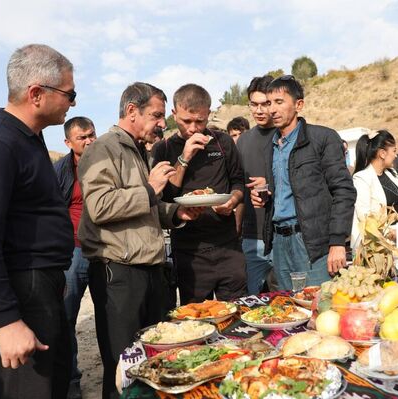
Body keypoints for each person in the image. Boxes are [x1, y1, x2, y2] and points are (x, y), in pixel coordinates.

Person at [0, 44, 76, 398]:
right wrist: (8, 321)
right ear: (37, 93)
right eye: (70, 94)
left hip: (42, 286)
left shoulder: (28, 138)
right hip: (23, 291)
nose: (73, 103)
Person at [78, 82, 202, 399]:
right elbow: (100, 206)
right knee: (124, 368)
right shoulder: (102, 148)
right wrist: (149, 189)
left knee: (155, 363)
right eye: (157, 115)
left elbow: (143, 208)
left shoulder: (137, 150)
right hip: (120, 276)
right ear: (132, 111)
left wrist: (176, 214)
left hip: (151, 273)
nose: (163, 123)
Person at [251, 75, 356, 290]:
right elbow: (291, 190)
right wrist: (266, 197)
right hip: (279, 243)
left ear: (299, 104)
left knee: (318, 309)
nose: (272, 110)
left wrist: (337, 242)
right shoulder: (271, 146)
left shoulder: (322, 138)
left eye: (279, 102)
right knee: (287, 311)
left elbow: (343, 190)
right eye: (269, 103)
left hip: (311, 243)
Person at [151, 83, 247, 304]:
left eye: (200, 121)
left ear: (209, 115)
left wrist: (233, 200)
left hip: (227, 247)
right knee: (196, 320)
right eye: (186, 121)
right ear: (174, 114)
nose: (193, 128)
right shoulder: (164, 149)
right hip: (189, 252)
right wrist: (184, 157)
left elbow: (238, 182)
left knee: (235, 314)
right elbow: (165, 196)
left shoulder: (223, 143)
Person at [53, 116, 96, 399]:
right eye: (82, 137)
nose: (90, 140)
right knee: (66, 318)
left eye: (92, 134)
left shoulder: (109, 162)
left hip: (105, 249)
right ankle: (70, 382)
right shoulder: (61, 169)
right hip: (74, 252)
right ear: (68, 142)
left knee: (111, 318)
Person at [236, 75, 275, 294]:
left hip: (282, 237)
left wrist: (270, 184)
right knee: (252, 305)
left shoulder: (287, 136)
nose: (259, 110)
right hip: (252, 237)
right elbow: (240, 188)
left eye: (265, 104)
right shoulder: (243, 141)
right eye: (254, 104)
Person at [352, 130, 398, 245]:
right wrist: (389, 232)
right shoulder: (361, 178)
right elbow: (364, 216)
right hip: (375, 245)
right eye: (394, 151)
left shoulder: (392, 174)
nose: (396, 155)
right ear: (382, 153)